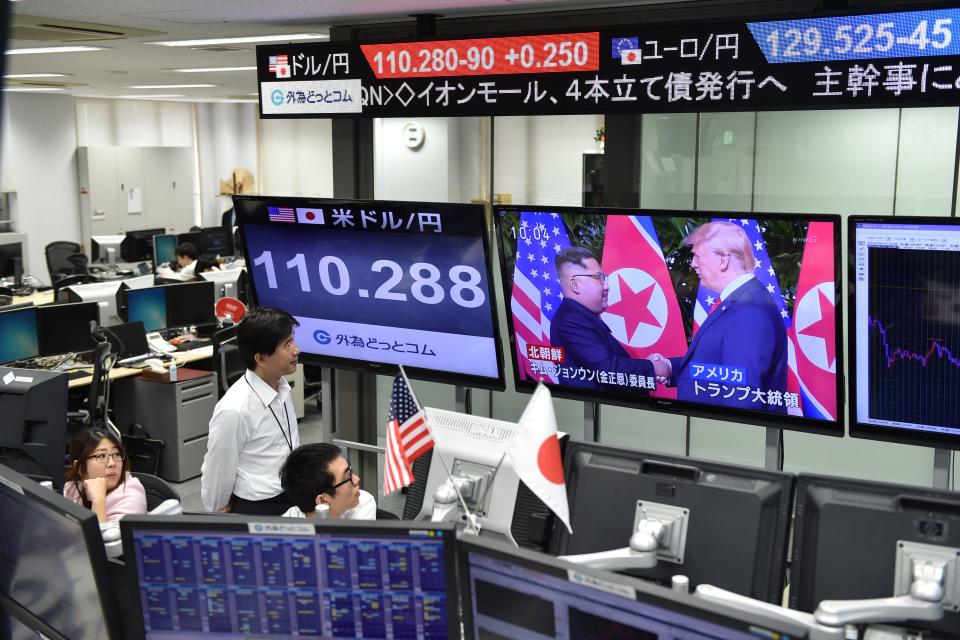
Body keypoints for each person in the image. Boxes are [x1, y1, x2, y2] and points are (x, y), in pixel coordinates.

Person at [656, 221, 788, 412]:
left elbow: (741, 396)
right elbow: (720, 369)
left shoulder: (748, 310)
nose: (693, 264)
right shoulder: (742, 300)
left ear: (723, 260)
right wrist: (669, 367)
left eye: (697, 256)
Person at [200, 307, 302, 514]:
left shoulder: (280, 385)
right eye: (287, 344)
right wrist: (217, 511)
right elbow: (219, 468)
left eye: (292, 340)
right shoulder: (234, 409)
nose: (296, 350)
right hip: (260, 505)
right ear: (261, 359)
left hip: (291, 492)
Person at [550, 246, 659, 390]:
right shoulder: (571, 321)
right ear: (574, 284)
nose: (606, 286)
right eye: (599, 278)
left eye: (604, 278)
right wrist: (653, 368)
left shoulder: (580, 316)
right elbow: (609, 371)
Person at [63, 428, 147, 523]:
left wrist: (98, 500)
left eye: (116, 454)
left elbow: (101, 537)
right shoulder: (72, 488)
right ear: (79, 467)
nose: (112, 463)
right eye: (101, 456)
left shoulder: (132, 495)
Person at [280, 443, 377, 520]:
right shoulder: (287, 528)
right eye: (348, 477)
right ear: (323, 501)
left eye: (350, 470)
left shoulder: (363, 502)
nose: (357, 479)